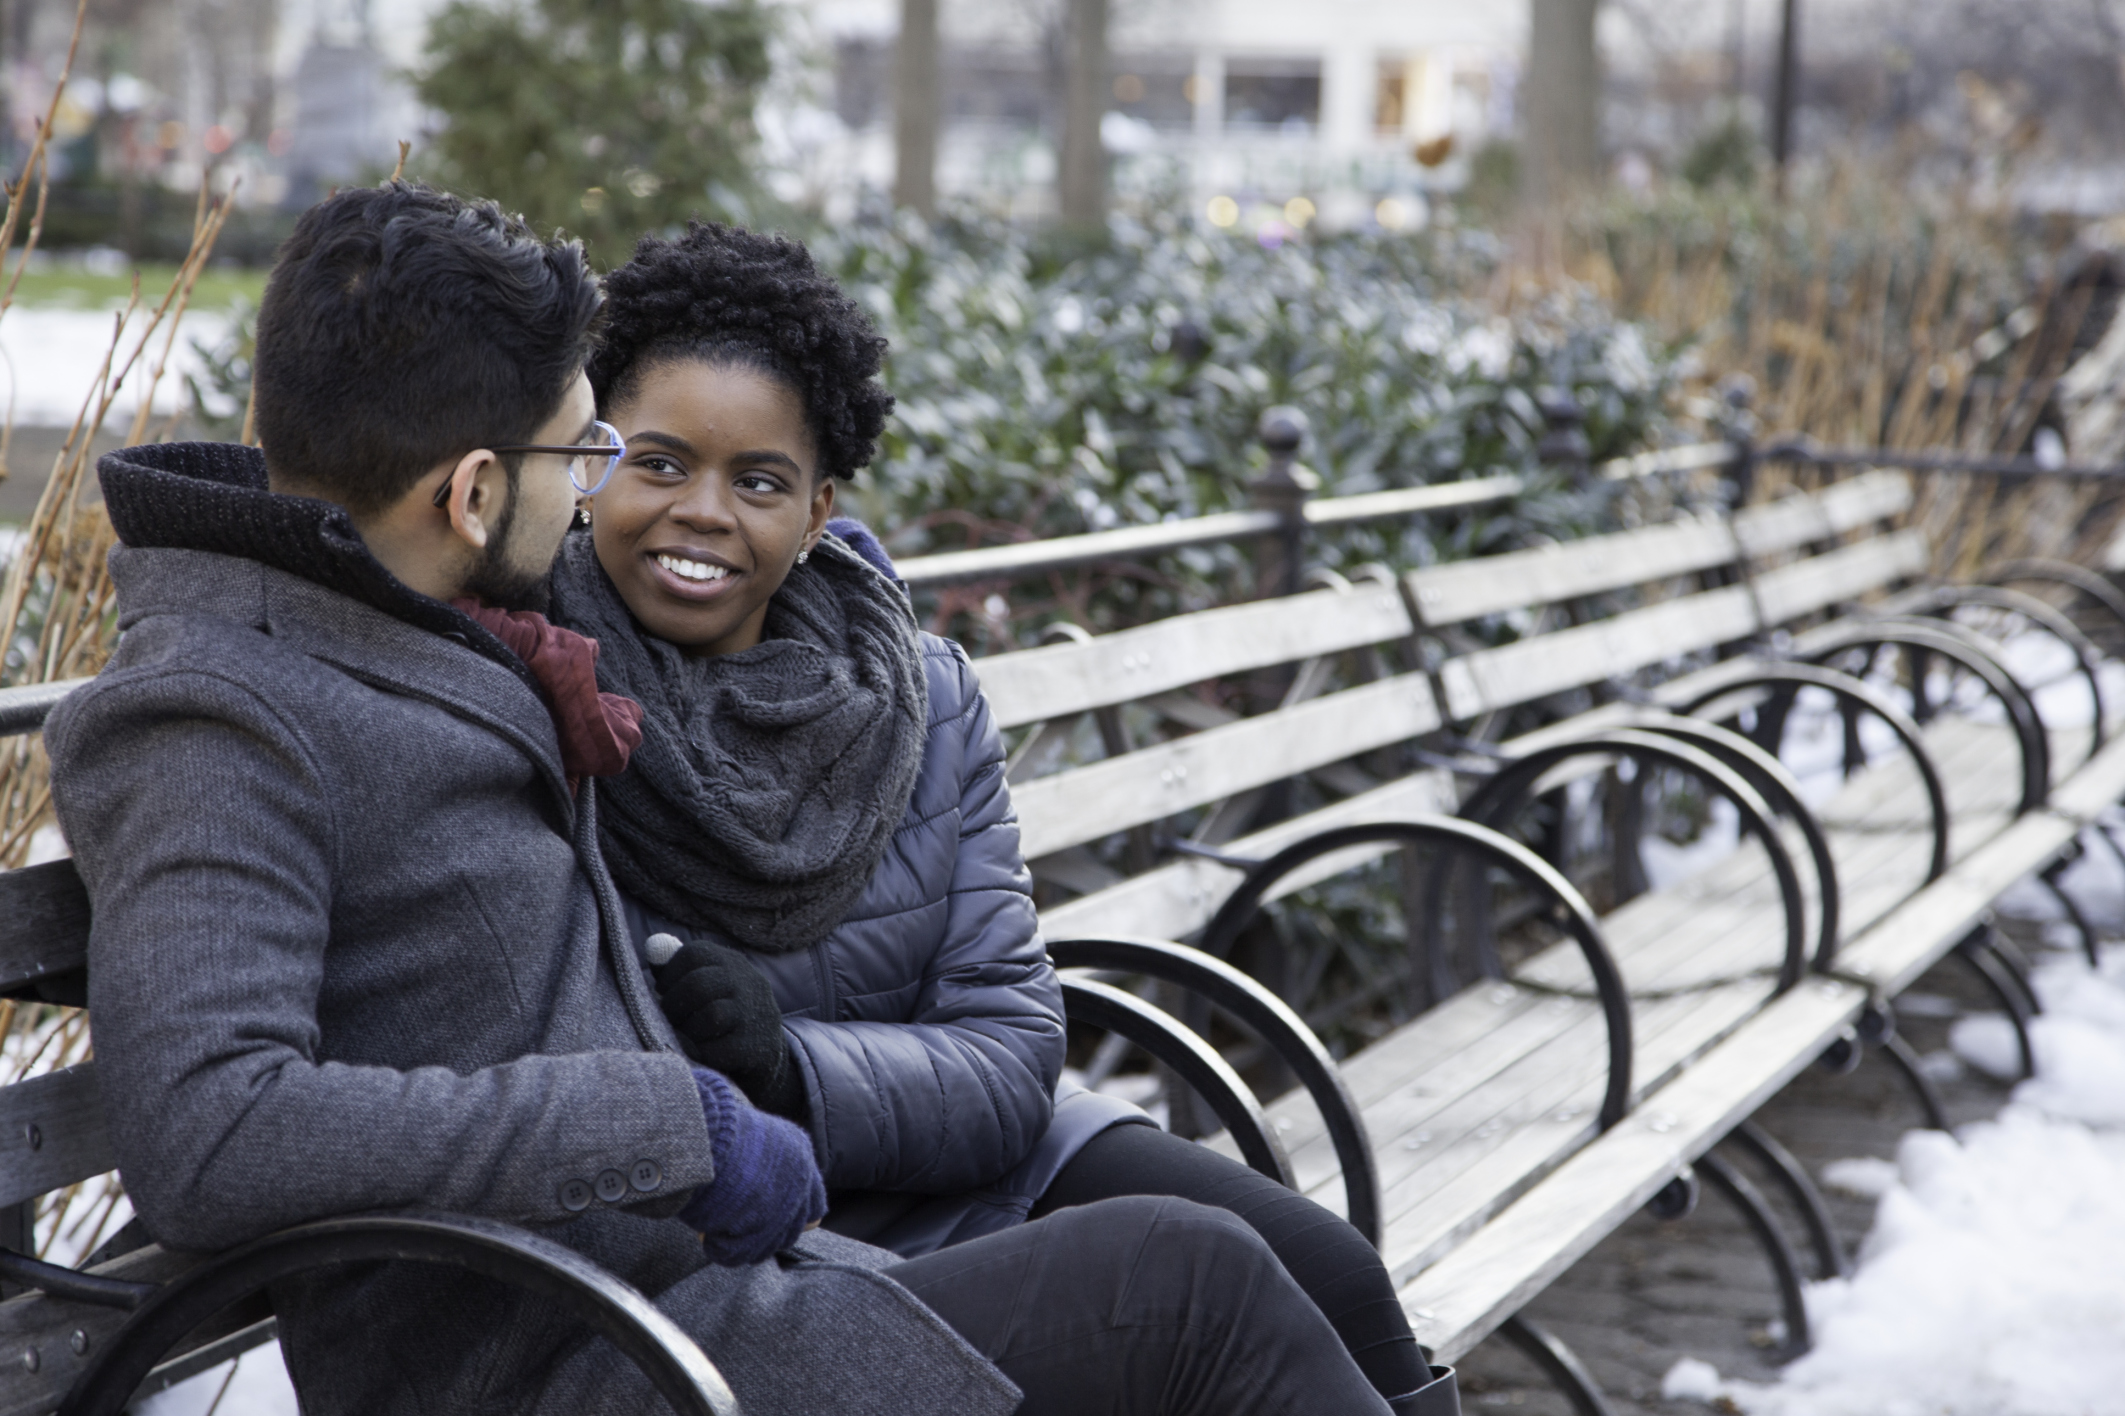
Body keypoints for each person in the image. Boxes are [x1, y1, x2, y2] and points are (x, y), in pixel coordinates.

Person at [44, 181, 1414, 1416]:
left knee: (1232, 1274)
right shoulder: (213, 714)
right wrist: (673, 1123)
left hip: (674, 1296)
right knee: (1185, 1291)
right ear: (471, 494)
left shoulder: (429, 637)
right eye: (590, 457)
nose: (600, 497)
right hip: (577, 1354)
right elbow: (212, 1137)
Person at [549, 221, 1453, 1415]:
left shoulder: (918, 697)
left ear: (818, 511)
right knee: (1196, 1288)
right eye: (659, 464)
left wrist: (793, 1064)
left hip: (959, 1151)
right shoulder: (542, 692)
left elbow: (1010, 1050)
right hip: (745, 1227)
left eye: (758, 481)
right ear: (590, 463)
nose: (703, 512)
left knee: (1333, 1267)